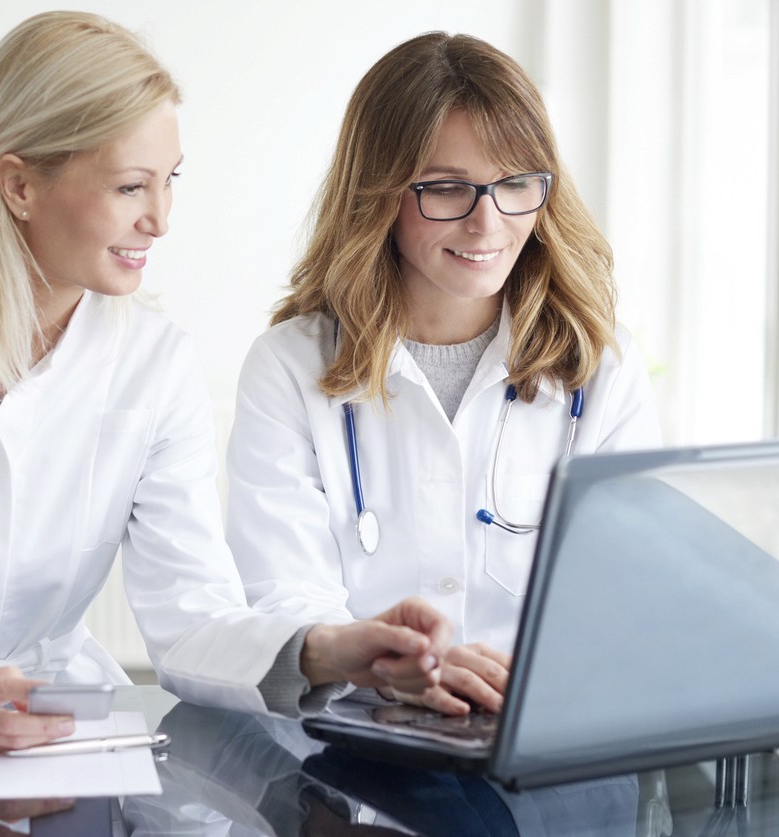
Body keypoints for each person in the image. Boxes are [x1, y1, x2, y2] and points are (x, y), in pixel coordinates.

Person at [0, 11, 451, 754]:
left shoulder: (155, 365)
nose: (160, 220)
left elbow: (192, 615)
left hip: (61, 739)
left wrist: (328, 648)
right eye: (130, 186)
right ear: (19, 184)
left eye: (170, 182)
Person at [225, 32, 662, 716]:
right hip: (354, 748)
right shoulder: (290, 366)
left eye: (516, 184)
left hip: (543, 741)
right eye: (447, 188)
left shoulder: (600, 370)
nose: (488, 222)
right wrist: (386, 661)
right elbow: (284, 594)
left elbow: (630, 594)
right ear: (379, 195)